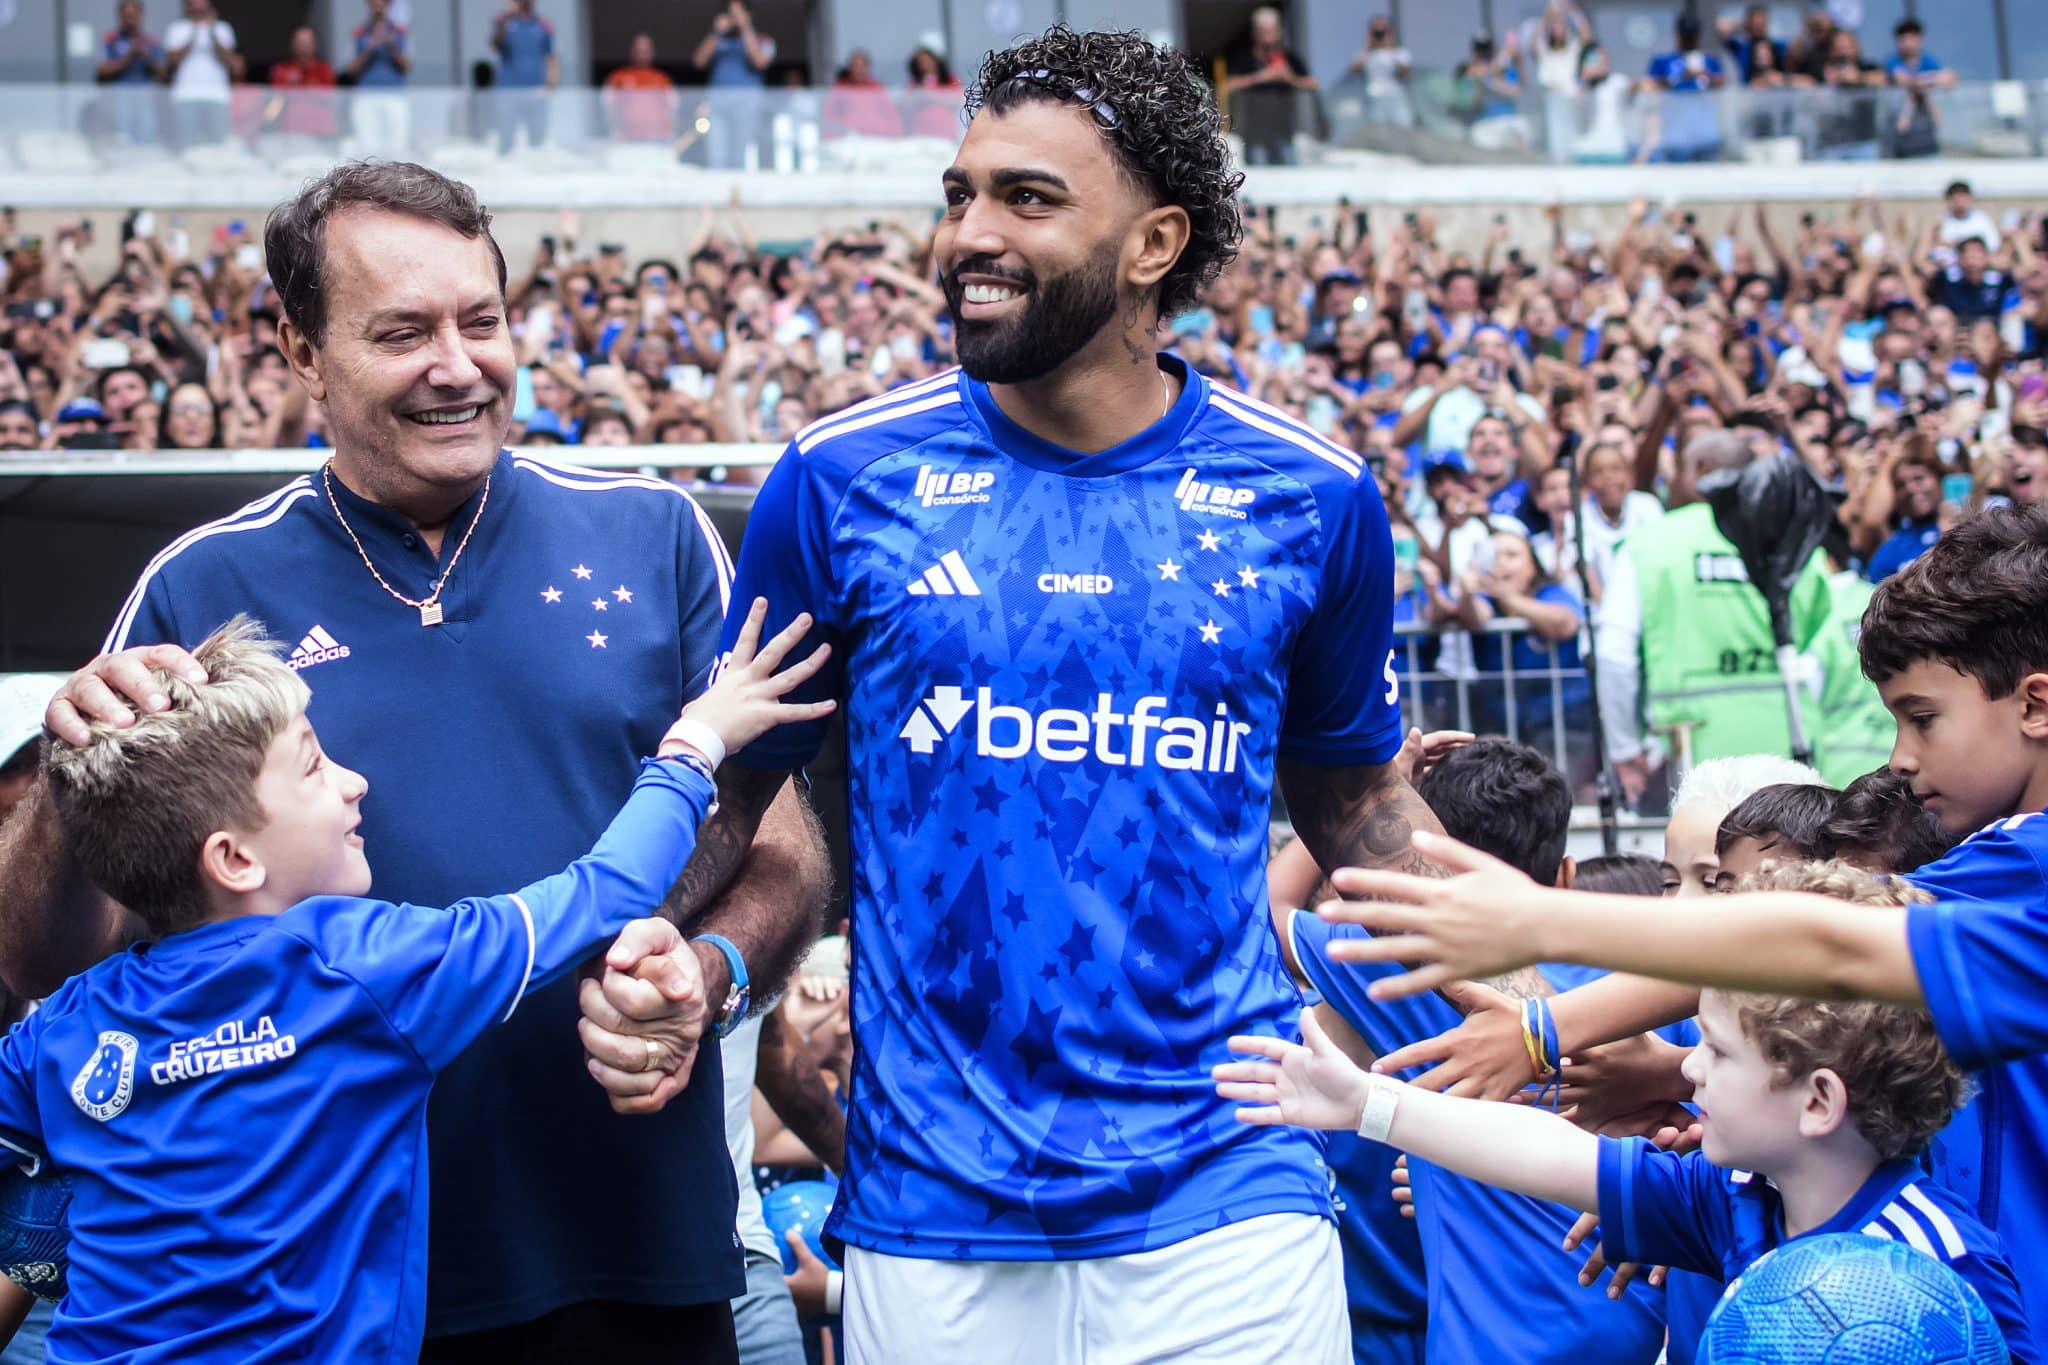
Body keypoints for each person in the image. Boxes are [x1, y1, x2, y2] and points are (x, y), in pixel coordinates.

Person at [667, 25, 1486, 1362]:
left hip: (1232, 1187)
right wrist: (620, 936)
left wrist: (1531, 997)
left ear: (1155, 244)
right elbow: (733, 790)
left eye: (1026, 199)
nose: (966, 236)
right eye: (958, 194)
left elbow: (1358, 812)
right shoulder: (834, 482)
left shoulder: (1313, 498)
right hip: (935, 1213)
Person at [1, 160, 830, 1361]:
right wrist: (68, 793)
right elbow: (35, 957)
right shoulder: (197, 587)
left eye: (481, 321)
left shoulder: (653, 533)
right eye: (403, 331)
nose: (458, 365)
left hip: (637, 1251)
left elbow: (787, 855)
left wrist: (705, 976)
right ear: (298, 346)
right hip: (315, 1298)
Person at [10, 605, 825, 1361]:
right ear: (233, 858)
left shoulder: (61, 1028)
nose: (353, 779)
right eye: (312, 766)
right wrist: (695, 743)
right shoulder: (356, 966)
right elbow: (602, 892)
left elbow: (22, 1199)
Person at [1315, 504, 2048, 1332]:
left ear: (2034, 705)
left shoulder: (2023, 865)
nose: (1901, 756)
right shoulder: (1736, 1188)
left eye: (1922, 717)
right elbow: (1569, 1155)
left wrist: (1542, 978)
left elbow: (1823, 943)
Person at [1220, 861, 2035, 1360]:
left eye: (1716, 1052)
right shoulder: (1732, 1197)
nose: (1688, 1067)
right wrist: (1369, 1102)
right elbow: (1551, 1155)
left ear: (1819, 1101)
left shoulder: (1942, 1264)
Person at [1279, 738, 1679, 1365]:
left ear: (1426, 871)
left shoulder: (1401, 971)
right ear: (1567, 877)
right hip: (1636, 1330)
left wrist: (1374, 790)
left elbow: (1267, 912)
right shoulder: (1650, 994)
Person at [1596, 436, 1840, 801]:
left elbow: (1614, 656)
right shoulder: (1792, 535)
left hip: (1695, 752)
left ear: (1699, 471)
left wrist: (1624, 749)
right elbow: (1822, 640)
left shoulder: (1650, 544)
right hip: (1791, 741)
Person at [1224, 7, 1316, 166]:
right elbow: (1227, 86)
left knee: (1291, 177)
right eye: (1263, 31)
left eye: (1271, 31)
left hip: (1285, 132)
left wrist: (1290, 78)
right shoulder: (1245, 59)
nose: (1268, 37)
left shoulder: (1289, 58)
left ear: (1278, 31)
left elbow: (1313, 84)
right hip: (1254, 134)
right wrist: (1261, 77)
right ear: (1255, 33)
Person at [694, 1, 773, 169]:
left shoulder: (763, 40)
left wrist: (745, 28)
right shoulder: (719, 40)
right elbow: (699, 61)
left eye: (738, 13)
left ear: (748, 15)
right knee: (716, 156)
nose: (734, 18)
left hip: (747, 104)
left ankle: (739, 194)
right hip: (717, 104)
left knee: (740, 155)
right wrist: (715, 32)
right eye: (731, 14)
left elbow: (760, 61)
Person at [1642, 14, 1725, 163]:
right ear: (1678, 35)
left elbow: (1722, 84)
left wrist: (1704, 74)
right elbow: (1649, 84)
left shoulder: (1709, 61)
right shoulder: (1663, 61)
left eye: (1692, 35)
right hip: (1675, 135)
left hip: (1705, 133)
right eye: (1686, 35)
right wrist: (1680, 77)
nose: (1689, 40)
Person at [162, 0, 242, 152]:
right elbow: (173, 60)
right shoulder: (177, 28)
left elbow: (229, 60)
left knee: (218, 147)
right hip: (185, 95)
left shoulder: (222, 28)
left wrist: (211, 30)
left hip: (217, 95)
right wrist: (194, 31)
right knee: (186, 146)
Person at [1866, 444, 1945, 581]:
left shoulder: (1968, 527)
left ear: (1939, 479)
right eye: (1901, 485)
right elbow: (1872, 519)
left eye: (1919, 478)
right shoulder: (1893, 548)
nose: (1910, 489)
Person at [489, 0, 557, 154]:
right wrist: (507, 18)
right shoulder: (501, 21)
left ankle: (535, 165)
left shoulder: (543, 24)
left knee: (537, 136)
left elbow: (551, 56)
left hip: (536, 89)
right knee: (506, 133)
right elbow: (495, 45)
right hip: (507, 90)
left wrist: (550, 84)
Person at [95, 1, 166, 147]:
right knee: (122, 140)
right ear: (119, 16)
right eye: (126, 16)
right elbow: (102, 70)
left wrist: (145, 56)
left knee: (146, 139)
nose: (130, 20)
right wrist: (129, 56)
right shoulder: (111, 40)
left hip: (145, 99)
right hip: (120, 99)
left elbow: (163, 72)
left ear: (141, 16)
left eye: (133, 16)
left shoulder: (151, 41)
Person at [347, 0, 412, 155]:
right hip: (366, 96)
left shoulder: (400, 32)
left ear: (388, 5)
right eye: (374, 2)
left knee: (397, 146)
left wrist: (391, 45)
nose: (378, 6)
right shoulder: (359, 32)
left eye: (382, 2)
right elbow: (351, 69)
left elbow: (407, 66)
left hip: (395, 96)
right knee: (367, 146)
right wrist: (370, 46)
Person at [605, 33, 679, 144]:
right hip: (627, 138)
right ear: (632, 51)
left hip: (658, 138)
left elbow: (673, 108)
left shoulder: (662, 79)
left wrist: (671, 134)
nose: (642, 54)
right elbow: (608, 107)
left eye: (646, 50)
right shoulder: (618, 77)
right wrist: (614, 131)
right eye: (639, 50)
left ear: (652, 52)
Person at [267, 26, 337, 140]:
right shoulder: (281, 70)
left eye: (307, 43)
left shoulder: (324, 70)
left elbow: (330, 100)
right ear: (293, 45)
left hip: (321, 132)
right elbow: (276, 101)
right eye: (300, 43)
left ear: (314, 46)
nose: (304, 48)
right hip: (291, 131)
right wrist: (268, 121)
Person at [1346, 16, 1412, 129]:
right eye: (1376, 32)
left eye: (1383, 32)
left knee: (1402, 130)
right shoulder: (1366, 54)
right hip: (1374, 98)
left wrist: (1389, 48)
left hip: (1395, 97)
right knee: (1378, 131)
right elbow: (1352, 71)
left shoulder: (1400, 53)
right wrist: (1369, 47)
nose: (1380, 35)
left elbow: (1403, 73)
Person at [822, 50, 901, 140]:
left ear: (867, 67)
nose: (858, 70)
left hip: (876, 140)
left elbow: (891, 115)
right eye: (855, 66)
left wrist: (894, 136)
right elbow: (829, 117)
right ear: (850, 68)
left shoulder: (877, 88)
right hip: (848, 141)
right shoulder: (840, 88)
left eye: (861, 66)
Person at [1887, 19, 1955, 92]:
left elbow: (1948, 77)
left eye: (1912, 39)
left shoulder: (1928, 59)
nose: (1908, 44)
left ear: (1920, 39)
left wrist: (1919, 81)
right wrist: (1930, 79)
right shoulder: (1892, 61)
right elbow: (1901, 80)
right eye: (1903, 40)